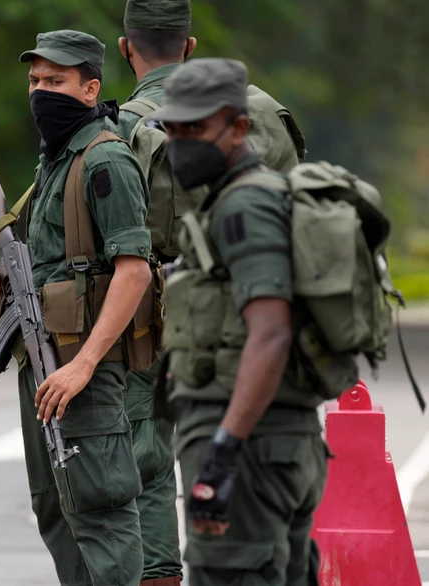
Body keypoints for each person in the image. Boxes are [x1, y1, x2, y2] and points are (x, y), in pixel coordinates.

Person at [105, 0, 308, 585]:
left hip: (150, 307)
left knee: (152, 457)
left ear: (125, 48)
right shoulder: (264, 111)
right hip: (259, 302)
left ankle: (163, 573)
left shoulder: (117, 124)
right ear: (190, 47)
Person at [0, 30, 153, 586]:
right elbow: (54, 266)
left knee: (99, 511)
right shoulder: (54, 163)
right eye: (35, 81)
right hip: (44, 366)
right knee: (57, 510)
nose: (41, 91)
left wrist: (85, 364)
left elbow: (133, 270)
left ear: (91, 88)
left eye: (56, 81)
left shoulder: (104, 161)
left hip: (81, 371)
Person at [150, 58, 327, 585]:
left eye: (197, 129)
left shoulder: (245, 207)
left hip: (246, 440)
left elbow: (271, 332)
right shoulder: (247, 197)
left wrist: (224, 452)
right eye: (172, 129)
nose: (181, 142)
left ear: (240, 128)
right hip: (275, 441)